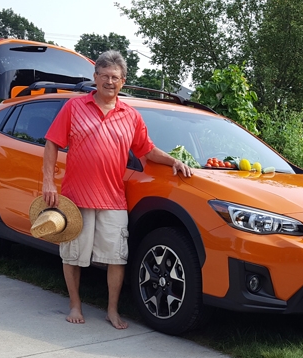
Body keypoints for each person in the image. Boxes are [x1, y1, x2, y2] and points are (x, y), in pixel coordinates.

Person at [42, 50, 193, 329]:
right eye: (105, 76)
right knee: (73, 255)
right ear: (95, 77)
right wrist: (49, 181)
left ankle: (112, 310)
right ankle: (75, 304)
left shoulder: (131, 116)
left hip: (113, 199)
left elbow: (146, 150)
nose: (110, 81)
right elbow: (52, 142)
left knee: (116, 258)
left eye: (115, 77)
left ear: (123, 81)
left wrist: (173, 161)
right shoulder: (74, 108)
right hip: (77, 197)